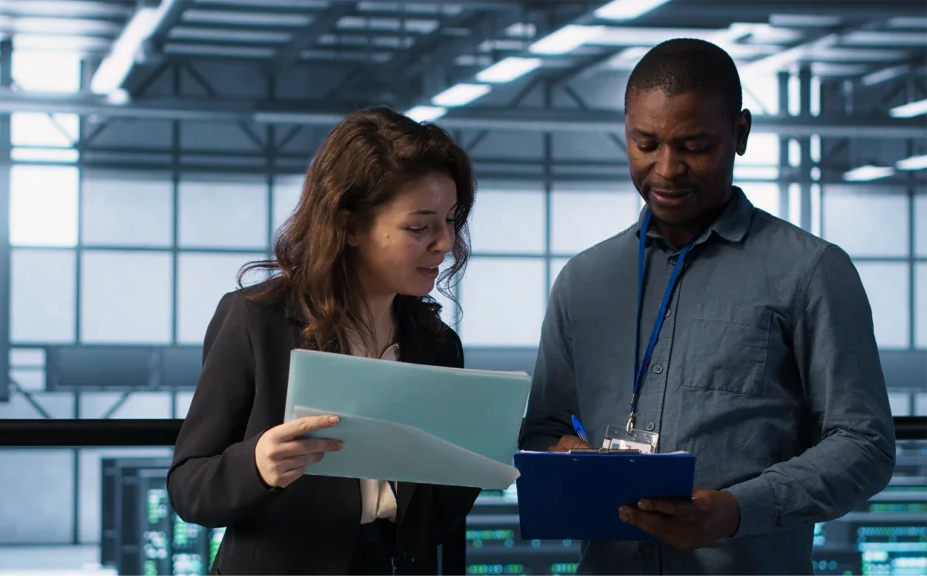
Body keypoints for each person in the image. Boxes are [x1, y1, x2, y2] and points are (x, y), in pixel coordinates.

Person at [519, 38, 896, 575]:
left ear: (739, 134)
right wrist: (571, 459)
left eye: (694, 146)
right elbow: (541, 429)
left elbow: (865, 444)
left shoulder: (811, 271)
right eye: (645, 144)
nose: (667, 170)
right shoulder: (583, 280)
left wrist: (738, 511)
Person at [167, 106, 481, 576]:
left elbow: (435, 509)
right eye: (420, 226)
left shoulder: (436, 344)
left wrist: (474, 458)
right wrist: (257, 466)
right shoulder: (259, 320)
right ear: (351, 226)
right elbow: (189, 487)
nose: (445, 243)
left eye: (452, 221)